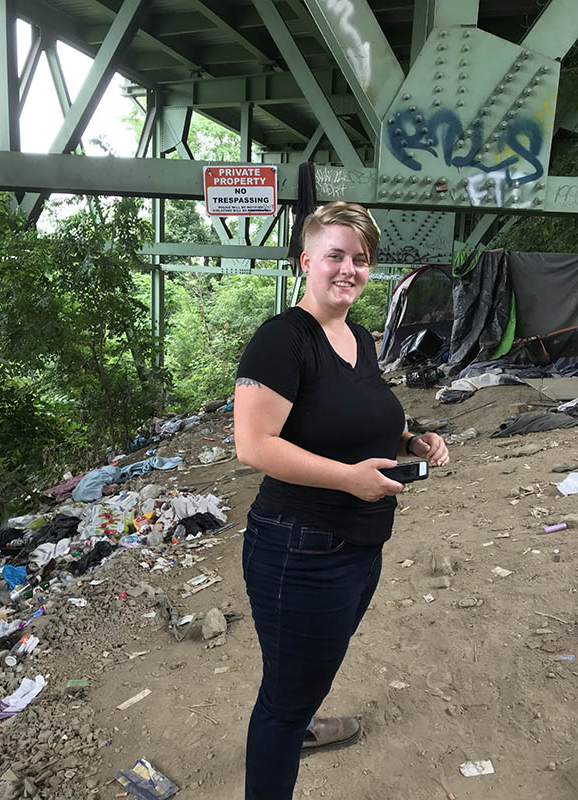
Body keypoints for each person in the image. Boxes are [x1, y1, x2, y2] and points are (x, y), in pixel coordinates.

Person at [234, 202, 449, 800]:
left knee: (310, 668)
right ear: (307, 261)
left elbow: (357, 415)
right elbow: (253, 446)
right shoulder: (281, 340)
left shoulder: (357, 336)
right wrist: (347, 479)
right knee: (282, 697)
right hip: (299, 549)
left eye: (360, 259)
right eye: (335, 255)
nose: (348, 268)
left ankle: (303, 717)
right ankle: (290, 733)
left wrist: (410, 439)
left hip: (359, 546)